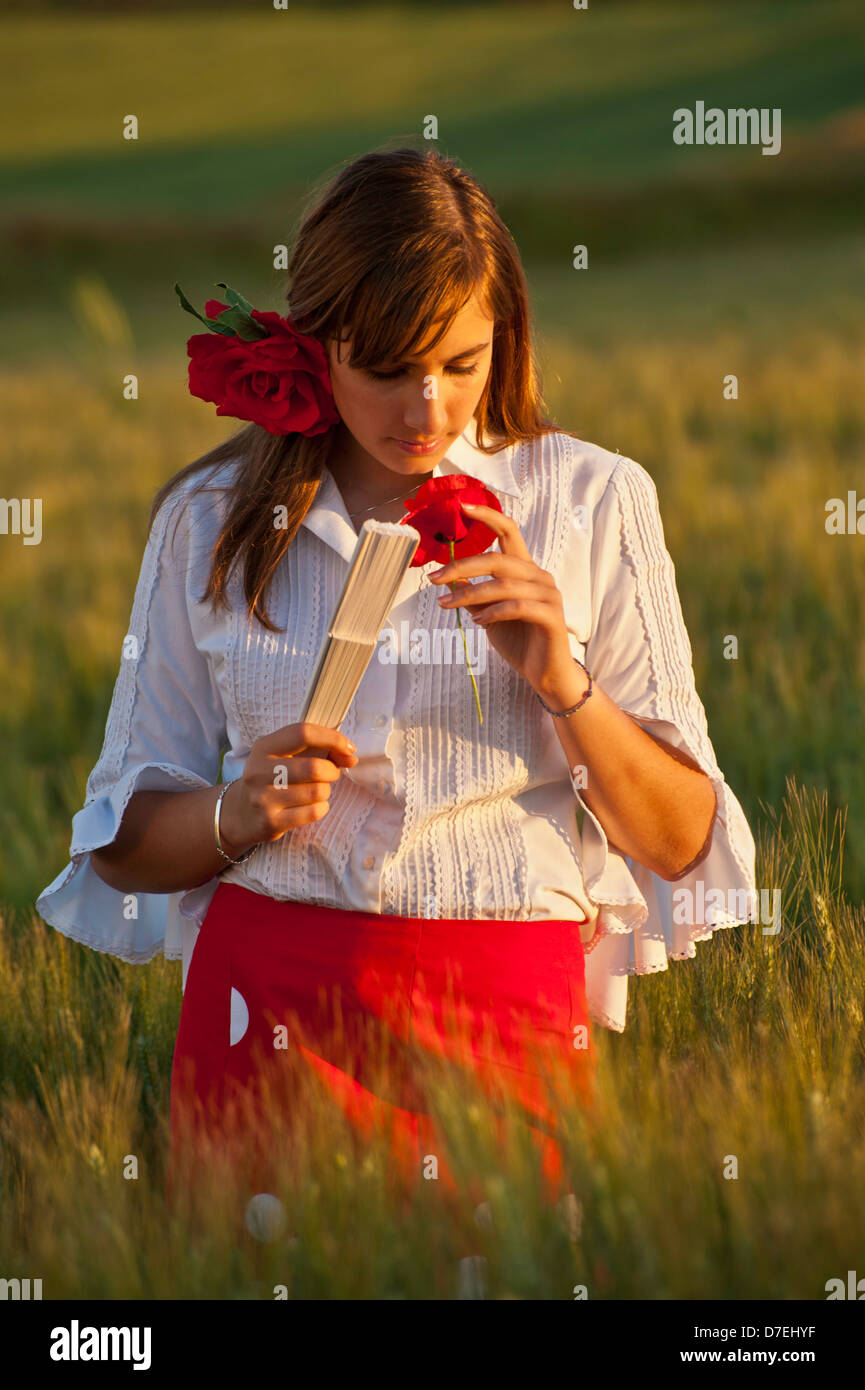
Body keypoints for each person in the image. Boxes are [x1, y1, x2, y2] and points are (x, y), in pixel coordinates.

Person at [35, 144, 757, 1211]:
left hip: (506, 1016)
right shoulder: (207, 520)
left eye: (462, 364)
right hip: (266, 1010)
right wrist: (238, 810)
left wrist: (563, 682)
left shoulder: (594, 499)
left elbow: (683, 839)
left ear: (506, 337)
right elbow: (124, 843)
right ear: (314, 340)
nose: (427, 409)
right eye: (385, 367)